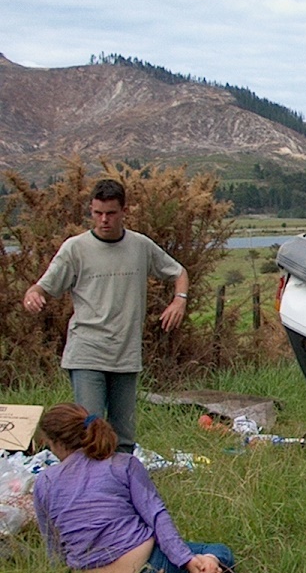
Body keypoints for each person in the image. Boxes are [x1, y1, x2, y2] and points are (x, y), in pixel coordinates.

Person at [23, 178, 189, 453]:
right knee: (90, 430)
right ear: (90, 211)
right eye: (97, 213)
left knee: (123, 437)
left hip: (126, 353)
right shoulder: (75, 248)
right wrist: (33, 295)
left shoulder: (140, 246)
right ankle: (88, 490)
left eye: (110, 213)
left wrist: (179, 301)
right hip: (87, 350)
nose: (103, 220)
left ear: (124, 211)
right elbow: (42, 286)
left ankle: (120, 489)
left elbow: (178, 272)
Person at [32, 403, 234, 573]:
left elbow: (53, 544)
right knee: (217, 550)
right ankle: (207, 565)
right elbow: (156, 516)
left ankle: (201, 568)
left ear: (57, 443)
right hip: (144, 570)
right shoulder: (123, 464)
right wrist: (187, 560)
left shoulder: (44, 482)